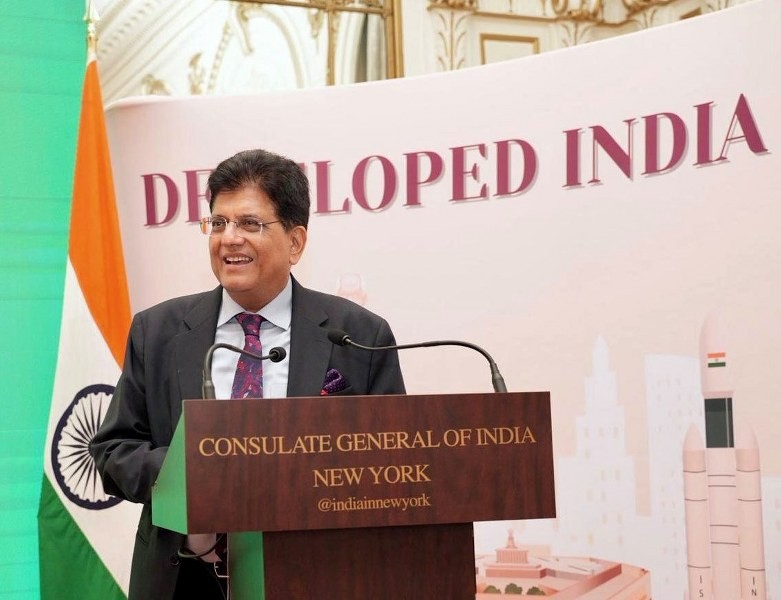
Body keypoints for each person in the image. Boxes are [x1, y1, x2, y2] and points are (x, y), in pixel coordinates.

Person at [89, 148, 406, 600]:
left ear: (295, 242)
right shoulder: (157, 332)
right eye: (219, 223)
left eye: (250, 223)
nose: (229, 238)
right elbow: (113, 451)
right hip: (183, 581)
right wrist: (193, 473)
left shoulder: (359, 335)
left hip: (317, 577)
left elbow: (390, 464)